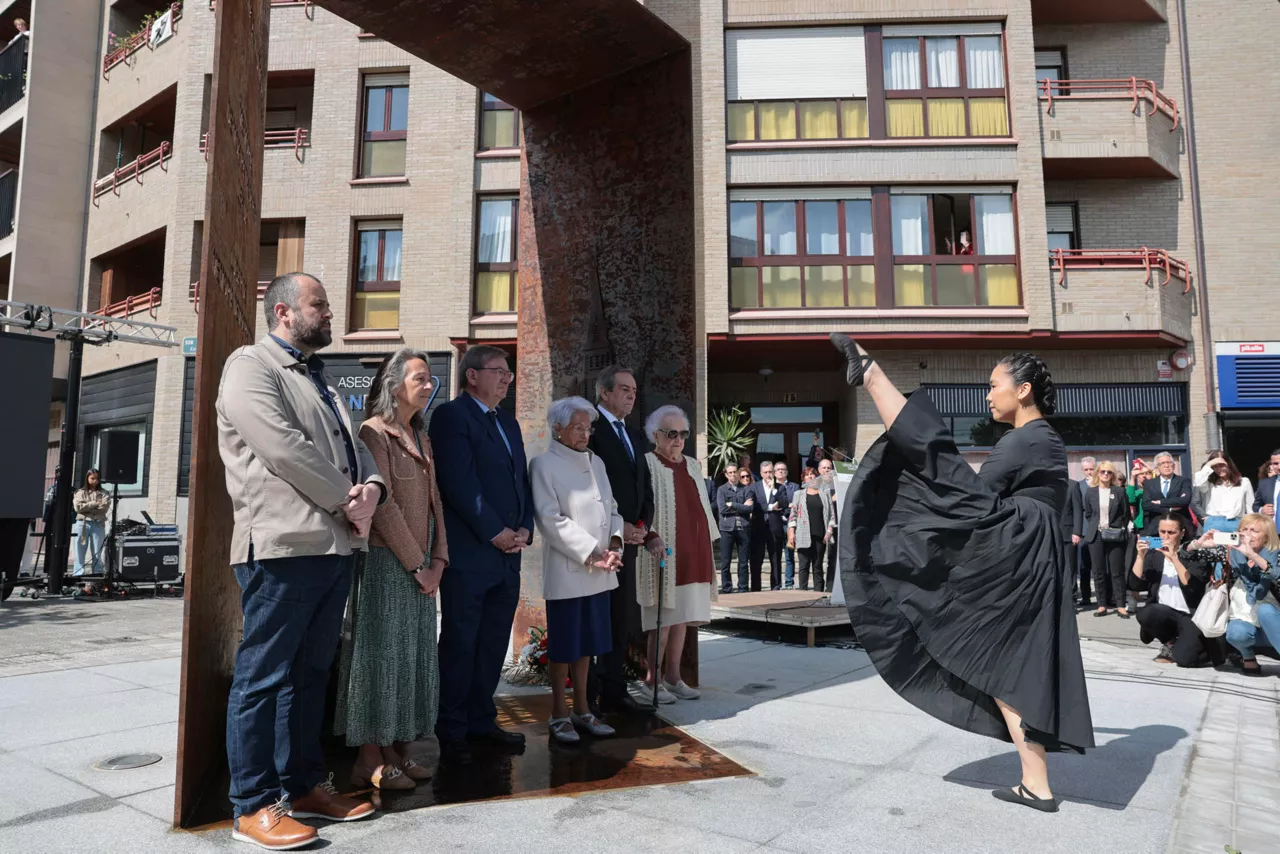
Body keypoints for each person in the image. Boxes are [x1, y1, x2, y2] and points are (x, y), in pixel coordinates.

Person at [831, 333, 1093, 813]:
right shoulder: (1043, 440)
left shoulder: (1025, 439)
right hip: (1033, 550)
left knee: (934, 468)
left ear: (1024, 390)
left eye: (994, 385)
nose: (987, 394)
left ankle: (872, 375)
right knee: (1012, 664)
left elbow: (965, 490)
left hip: (1019, 548)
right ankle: (1036, 783)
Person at [218, 272, 384, 849]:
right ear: (284, 312)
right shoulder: (251, 367)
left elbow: (356, 446)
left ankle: (306, 785)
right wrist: (349, 498)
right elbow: (286, 449)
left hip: (334, 545)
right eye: (320, 305)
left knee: (311, 674)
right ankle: (252, 805)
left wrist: (374, 490)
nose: (330, 313)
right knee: (262, 678)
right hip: (284, 549)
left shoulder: (321, 378)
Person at [335, 349, 449, 791]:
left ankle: (397, 750)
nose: (429, 384)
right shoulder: (373, 432)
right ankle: (369, 757)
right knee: (378, 660)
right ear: (393, 385)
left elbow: (436, 502)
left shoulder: (421, 434)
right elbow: (383, 507)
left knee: (409, 663)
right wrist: (419, 563)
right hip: (388, 565)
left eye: (430, 378)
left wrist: (439, 560)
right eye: (420, 377)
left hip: (422, 569)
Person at [429, 344, 533, 767]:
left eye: (509, 373)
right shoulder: (452, 416)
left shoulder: (508, 423)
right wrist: (494, 531)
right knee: (461, 641)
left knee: (493, 643)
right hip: (472, 553)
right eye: (498, 371)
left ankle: (481, 719)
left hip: (510, 555)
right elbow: (459, 483)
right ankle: (452, 728)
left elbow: (520, 482)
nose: (507, 378)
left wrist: (525, 526)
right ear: (472, 375)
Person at [531, 397, 626, 742]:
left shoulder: (596, 462)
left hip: (601, 571)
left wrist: (615, 545)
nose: (585, 433)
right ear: (558, 429)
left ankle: (583, 709)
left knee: (588, 645)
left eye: (588, 427)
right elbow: (549, 518)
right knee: (564, 647)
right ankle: (558, 714)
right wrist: (591, 553)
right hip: (570, 571)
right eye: (578, 427)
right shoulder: (544, 464)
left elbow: (612, 509)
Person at [586, 365, 658, 715]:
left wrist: (643, 525)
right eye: (624, 389)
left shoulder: (632, 433)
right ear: (604, 392)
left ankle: (614, 689)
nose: (631, 395)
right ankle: (588, 697)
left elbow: (644, 486)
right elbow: (589, 490)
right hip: (600, 544)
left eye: (634, 390)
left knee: (621, 620)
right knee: (595, 620)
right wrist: (619, 527)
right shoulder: (590, 431)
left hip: (630, 543)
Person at [635, 405, 717, 705]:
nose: (678, 440)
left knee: (682, 618)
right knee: (664, 620)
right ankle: (651, 679)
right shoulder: (646, 463)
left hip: (694, 551)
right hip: (663, 553)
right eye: (672, 434)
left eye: (683, 434)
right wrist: (651, 534)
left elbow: (702, 506)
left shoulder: (693, 464)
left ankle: (673, 677)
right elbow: (639, 506)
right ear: (655, 435)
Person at [1130, 513, 1219, 667]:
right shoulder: (1154, 555)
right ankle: (1169, 642)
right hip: (1164, 612)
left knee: (1185, 660)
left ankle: (1202, 647)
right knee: (1147, 613)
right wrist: (1140, 556)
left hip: (1190, 615)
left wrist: (1175, 558)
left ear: (1182, 533)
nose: (1166, 536)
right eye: (1162, 532)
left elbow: (1192, 588)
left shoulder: (1194, 555)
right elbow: (1135, 586)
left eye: (1171, 532)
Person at [1209, 514, 1280, 676]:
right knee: (1236, 632)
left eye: (1254, 531)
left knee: (1266, 611)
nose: (1248, 534)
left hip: (1275, 621)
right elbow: (1189, 556)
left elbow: (1276, 575)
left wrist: (1253, 555)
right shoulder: (1233, 552)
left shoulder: (1276, 555)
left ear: (1267, 536)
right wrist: (1199, 544)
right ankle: (1248, 657)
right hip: (1246, 617)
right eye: (1244, 529)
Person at [1084, 461, 1131, 618]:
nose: (1105, 474)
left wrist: (1118, 527)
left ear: (1112, 475)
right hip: (1096, 535)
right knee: (1098, 571)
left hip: (1115, 534)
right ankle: (1101, 605)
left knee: (1117, 571)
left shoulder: (1118, 491)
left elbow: (1126, 514)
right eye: (1103, 471)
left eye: (1109, 472)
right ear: (1098, 473)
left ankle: (1120, 605)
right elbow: (1089, 514)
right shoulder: (1090, 492)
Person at [788, 466, 834, 592]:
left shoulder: (825, 494)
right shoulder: (798, 494)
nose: (810, 476)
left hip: (820, 535)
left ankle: (818, 594)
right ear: (803, 478)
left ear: (817, 477)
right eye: (807, 475)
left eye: (812, 474)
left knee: (818, 566)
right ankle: (802, 594)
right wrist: (791, 532)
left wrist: (829, 531)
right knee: (803, 566)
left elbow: (832, 515)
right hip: (803, 535)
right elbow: (793, 515)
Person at [1193, 452, 1254, 537]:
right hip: (1214, 522)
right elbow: (1198, 483)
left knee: (1236, 549)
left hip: (1236, 522)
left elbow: (1250, 506)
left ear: (1229, 464)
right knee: (1213, 549)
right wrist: (1209, 464)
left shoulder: (1244, 482)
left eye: (1221, 465)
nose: (1219, 469)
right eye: (1215, 466)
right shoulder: (1209, 483)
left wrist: (1251, 524)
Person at [749, 460, 786, 591]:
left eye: (771, 472)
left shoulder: (780, 488)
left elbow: (784, 504)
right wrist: (770, 507)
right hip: (758, 528)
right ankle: (755, 589)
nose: (768, 474)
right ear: (761, 473)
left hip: (774, 528)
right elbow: (755, 506)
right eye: (765, 472)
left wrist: (774, 490)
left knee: (775, 560)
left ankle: (776, 587)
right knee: (756, 560)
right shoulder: (754, 487)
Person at [716, 464, 752, 594]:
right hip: (727, 529)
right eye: (730, 473)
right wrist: (741, 506)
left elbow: (750, 508)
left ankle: (743, 588)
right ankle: (727, 588)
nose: (733, 474)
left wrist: (732, 504)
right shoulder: (722, 490)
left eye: (734, 472)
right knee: (725, 562)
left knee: (743, 562)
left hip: (743, 527)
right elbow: (722, 509)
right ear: (726, 475)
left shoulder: (746, 489)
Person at [1141, 452, 1193, 534]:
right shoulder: (1149, 483)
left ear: (1174, 465)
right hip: (1156, 528)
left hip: (1179, 527)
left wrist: (1160, 502)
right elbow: (1146, 505)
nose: (1166, 465)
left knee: (1180, 547)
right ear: (1157, 467)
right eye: (1162, 463)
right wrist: (1170, 509)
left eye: (1169, 462)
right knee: (1156, 547)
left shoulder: (1184, 481)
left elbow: (1185, 500)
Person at [72, 469, 109, 577]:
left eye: (97, 478)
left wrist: (87, 507)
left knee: (97, 550)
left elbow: (104, 508)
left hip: (98, 523)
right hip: (82, 524)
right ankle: (79, 573)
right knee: (79, 550)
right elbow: (78, 508)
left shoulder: (104, 493)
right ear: (87, 478)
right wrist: (94, 503)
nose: (95, 481)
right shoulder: (80, 492)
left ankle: (97, 572)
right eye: (92, 478)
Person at [772, 461, 799, 589]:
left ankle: (789, 583)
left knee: (789, 555)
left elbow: (795, 504)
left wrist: (784, 505)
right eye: (778, 469)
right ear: (774, 472)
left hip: (790, 524)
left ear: (787, 472)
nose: (781, 471)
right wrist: (786, 504)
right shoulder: (771, 486)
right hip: (776, 523)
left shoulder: (795, 487)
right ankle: (777, 583)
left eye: (783, 469)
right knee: (776, 555)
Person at [819, 458, 839, 592]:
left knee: (832, 557)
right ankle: (818, 587)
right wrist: (831, 499)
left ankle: (831, 587)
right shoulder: (815, 485)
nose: (827, 470)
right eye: (824, 468)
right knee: (818, 559)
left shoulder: (837, 485)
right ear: (819, 470)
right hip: (819, 525)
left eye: (829, 468)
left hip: (834, 525)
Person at [1255, 449, 1280, 519]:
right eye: (1275, 463)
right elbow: (1256, 506)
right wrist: (1261, 510)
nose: (1279, 467)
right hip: (1272, 527)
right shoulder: (1264, 484)